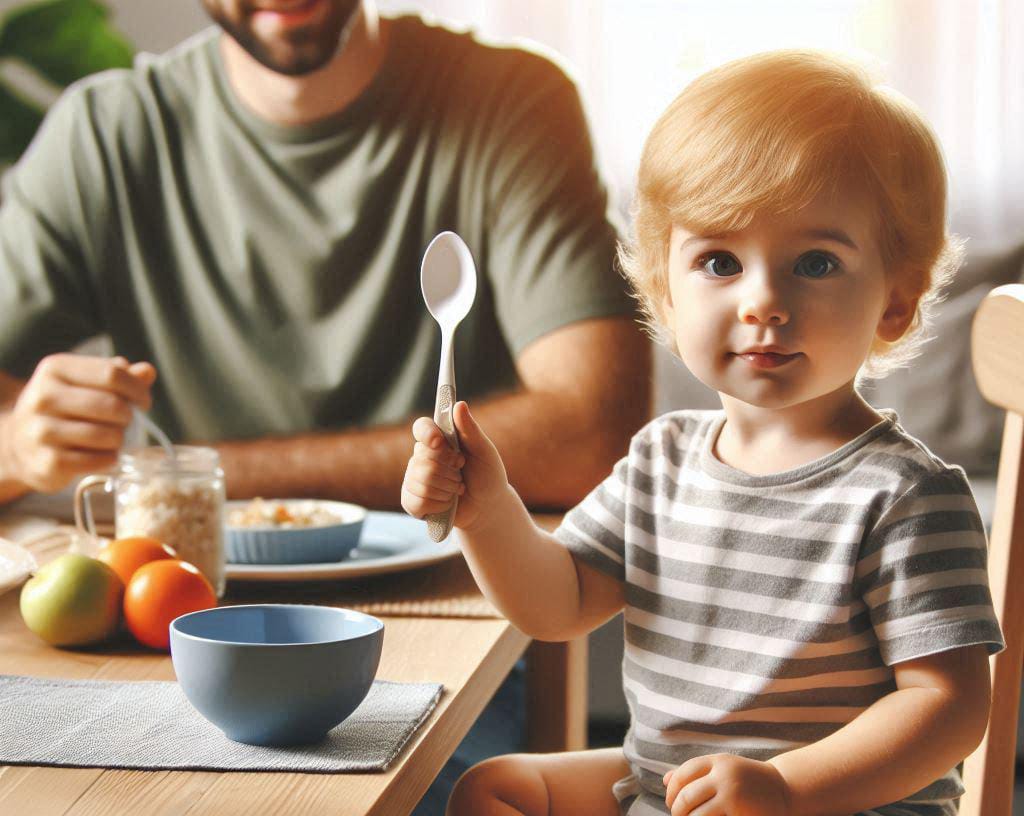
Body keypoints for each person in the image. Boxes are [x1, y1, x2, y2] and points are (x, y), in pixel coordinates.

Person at [0, 2, 651, 813]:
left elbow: (592, 432)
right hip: (165, 637)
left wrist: (204, 478)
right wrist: (17, 446)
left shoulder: (507, 98)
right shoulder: (105, 132)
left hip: (445, 648)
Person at [401, 49, 1006, 816]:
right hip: (674, 789)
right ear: (664, 288)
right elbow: (557, 602)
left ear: (894, 301)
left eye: (815, 262)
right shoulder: (662, 460)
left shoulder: (905, 497)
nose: (763, 300)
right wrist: (486, 510)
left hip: (837, 803)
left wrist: (787, 786)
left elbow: (948, 711)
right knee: (496, 788)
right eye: (720, 260)